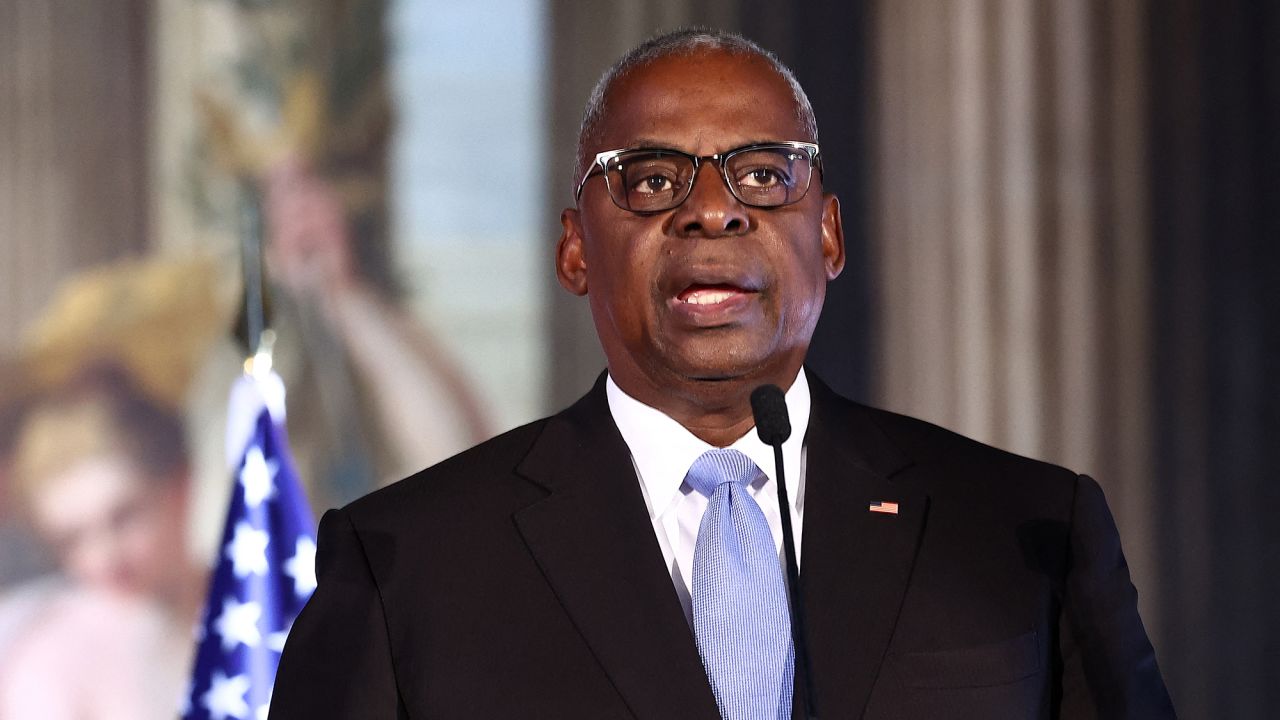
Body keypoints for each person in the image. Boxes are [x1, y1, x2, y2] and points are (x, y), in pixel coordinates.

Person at [271, 29, 1174, 719]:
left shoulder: (1028, 527)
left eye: (763, 174)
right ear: (575, 248)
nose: (712, 211)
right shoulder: (408, 565)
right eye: (652, 180)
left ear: (828, 236)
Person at [0, 362, 203, 719]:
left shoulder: (259, 594)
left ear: (180, 487)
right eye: (72, 539)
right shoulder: (49, 661)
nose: (105, 557)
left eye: (124, 517)